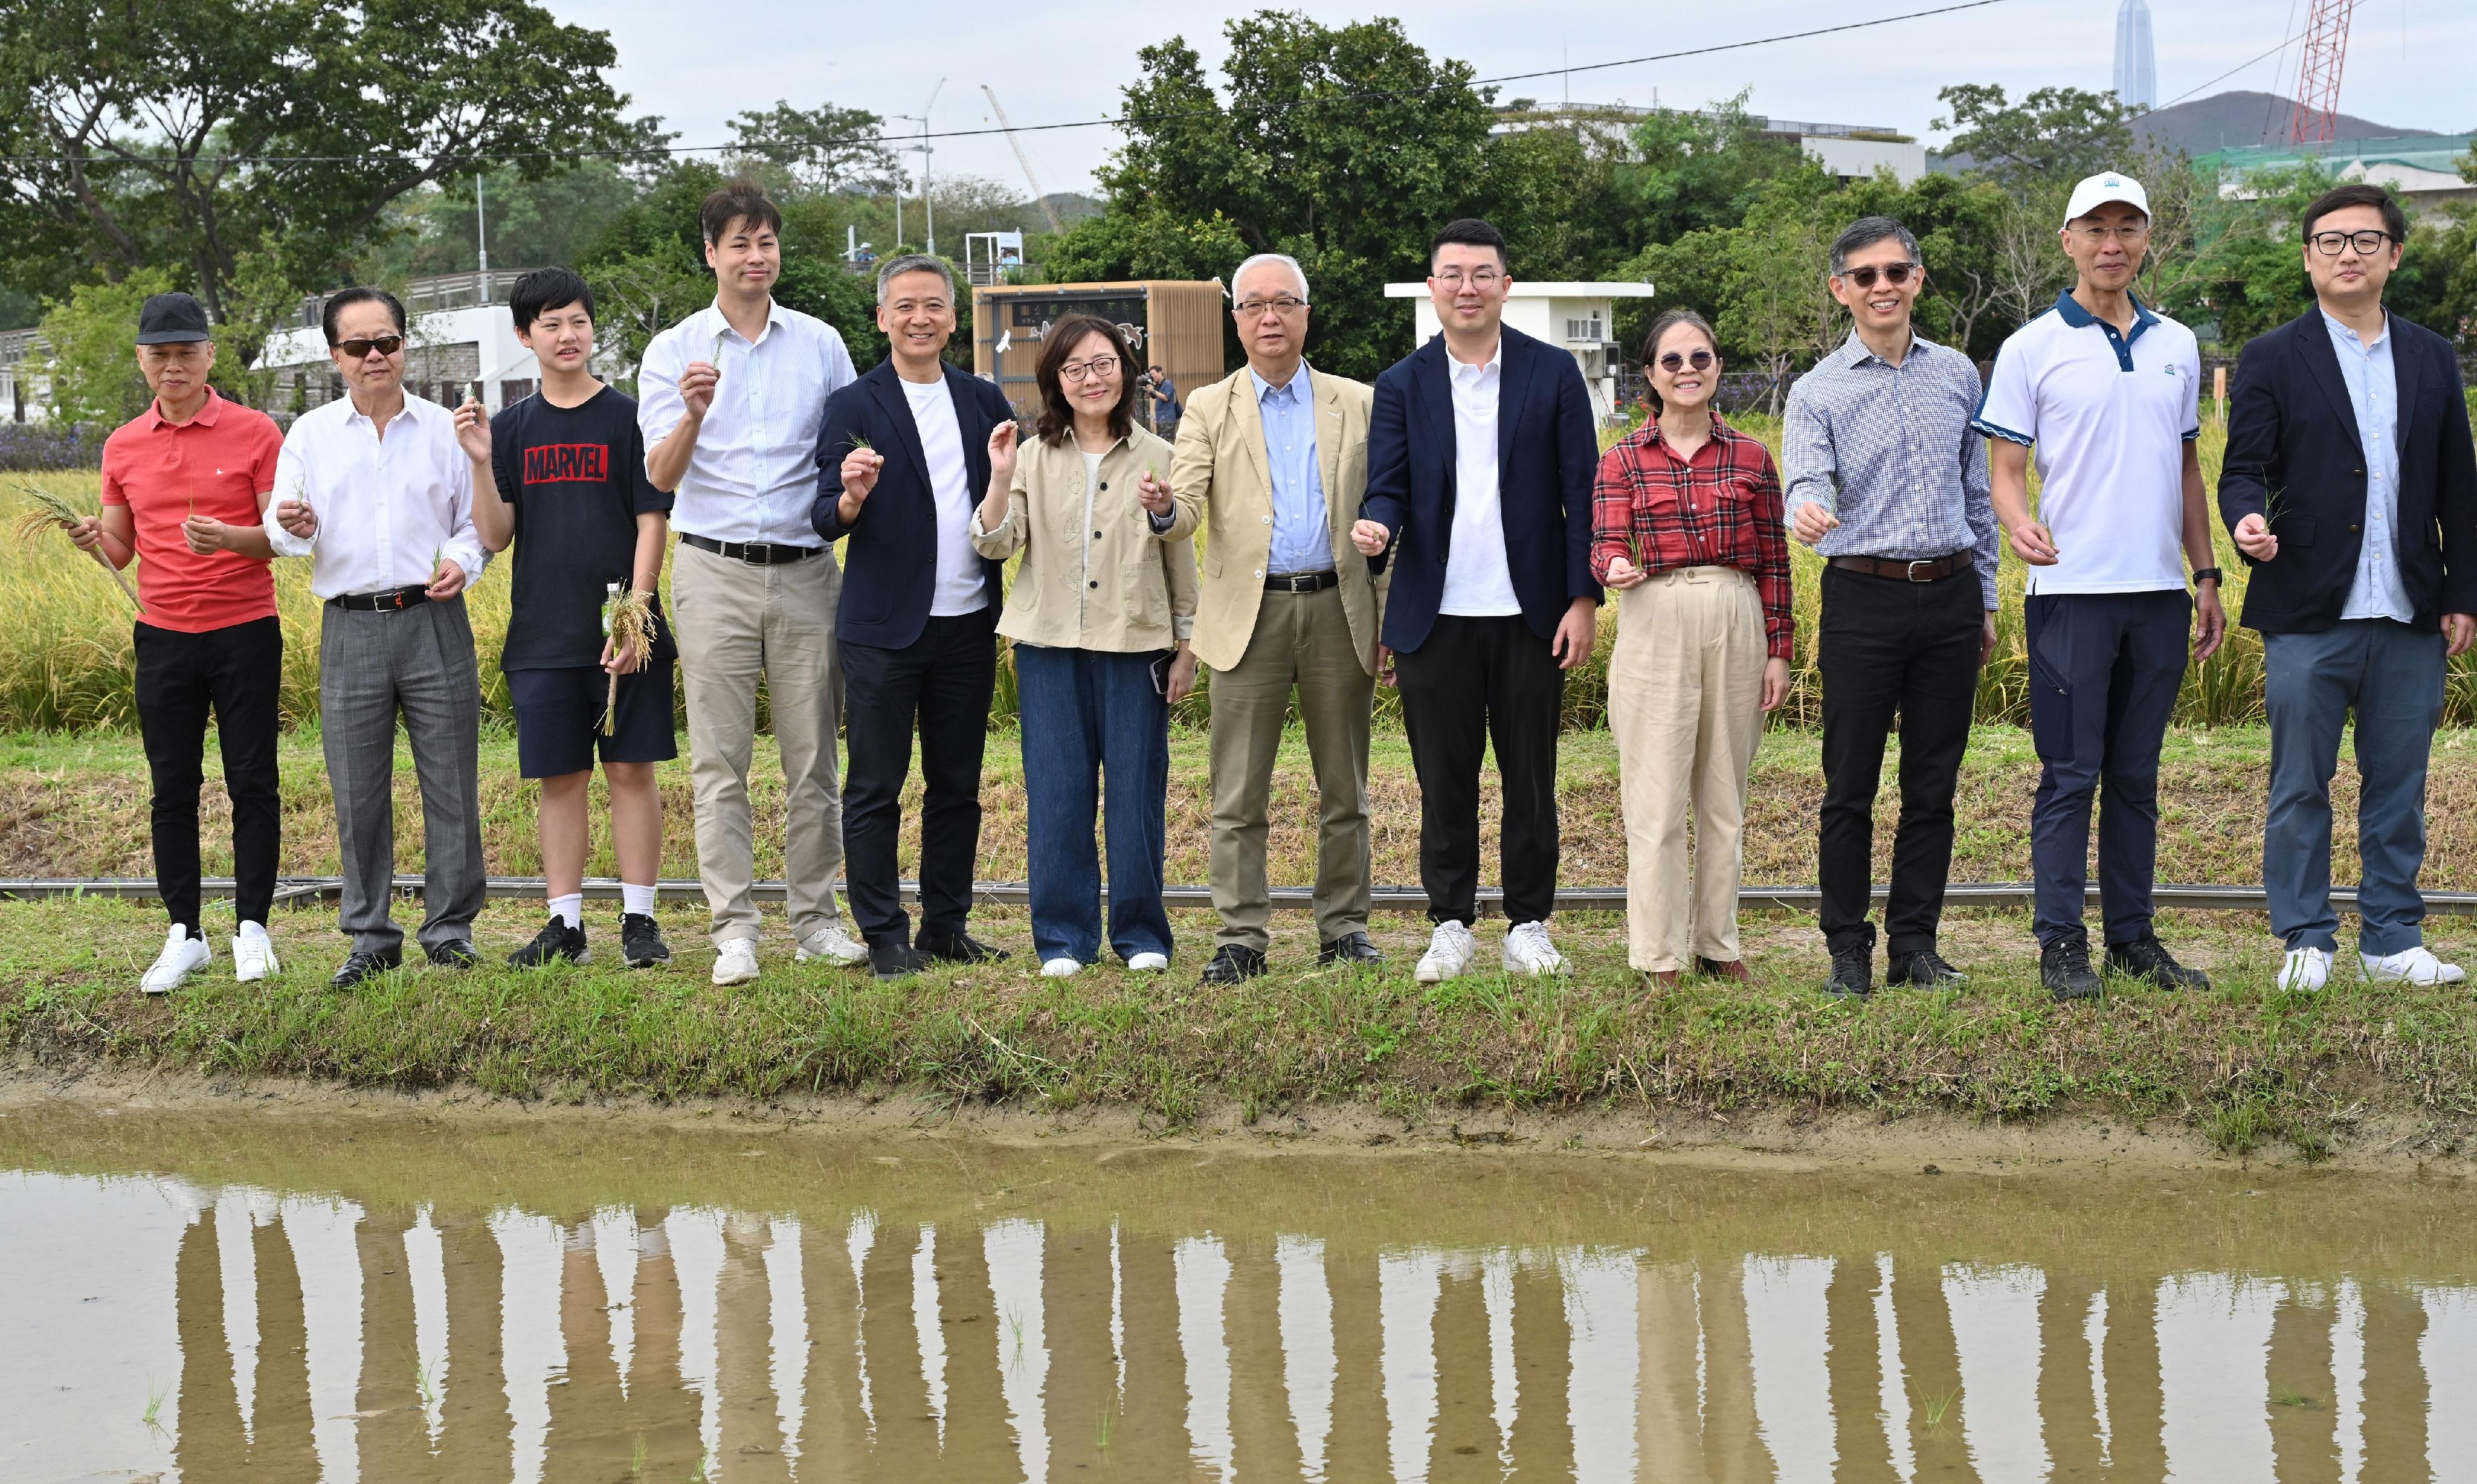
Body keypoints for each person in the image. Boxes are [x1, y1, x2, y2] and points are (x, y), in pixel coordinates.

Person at [1972, 171, 2227, 1001]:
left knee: (2137, 776)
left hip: (2157, 594)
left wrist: (2207, 574)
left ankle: (2133, 940)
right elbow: (2005, 470)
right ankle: (2059, 943)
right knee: (2069, 774)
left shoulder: (2178, 345)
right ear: (2069, 240)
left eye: (2128, 228)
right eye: (2096, 228)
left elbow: (2188, 470)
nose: (2112, 245)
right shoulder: (2031, 347)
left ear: (2147, 238)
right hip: (2069, 594)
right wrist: (2016, 521)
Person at [2219, 182, 2477, 991]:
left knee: (2398, 787)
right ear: (2308, 258)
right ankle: (2306, 937)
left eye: (2365, 241)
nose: (2347, 255)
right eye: (2330, 241)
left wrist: (2463, 593)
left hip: (2408, 607)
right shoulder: (2269, 357)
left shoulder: (2433, 356)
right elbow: (2243, 472)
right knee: (2301, 783)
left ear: (2394, 255)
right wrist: (2246, 522)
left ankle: (2393, 939)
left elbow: (2458, 491)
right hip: (2307, 607)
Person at [1354, 218, 1600, 984]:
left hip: (1532, 614)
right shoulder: (1401, 384)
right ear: (1432, 287)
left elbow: (1581, 496)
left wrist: (1582, 598)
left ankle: (1529, 923)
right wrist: (1378, 525)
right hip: (1435, 616)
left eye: (1481, 273)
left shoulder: (1552, 373)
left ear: (1505, 284)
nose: (1467, 287)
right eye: (1452, 274)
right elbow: (1389, 485)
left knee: (1531, 777)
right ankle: (1450, 922)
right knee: (1444, 779)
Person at [639, 180, 865, 987]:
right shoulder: (675, 351)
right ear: (710, 253)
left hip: (806, 567)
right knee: (720, 760)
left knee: (814, 758)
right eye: (738, 243)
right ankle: (735, 928)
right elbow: (659, 476)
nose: (755, 256)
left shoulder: (821, 344)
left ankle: (816, 920)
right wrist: (695, 413)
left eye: (766, 242)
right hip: (712, 570)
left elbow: (844, 448)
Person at [1783, 217, 2000, 999]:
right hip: (1861, 597)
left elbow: (1977, 494)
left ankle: (1916, 945)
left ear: (1917, 279)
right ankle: (1848, 948)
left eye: (1895, 272)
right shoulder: (1816, 390)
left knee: (1932, 785)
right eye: (1865, 275)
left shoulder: (1958, 377)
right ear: (1841, 289)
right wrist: (1806, 511)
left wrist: (1984, 599)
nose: (1882, 287)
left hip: (1947, 594)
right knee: (1849, 786)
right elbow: (1804, 482)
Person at [1169, 253, 1387, 985]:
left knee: (1344, 787)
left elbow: (1388, 505)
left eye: (1284, 303)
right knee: (1237, 790)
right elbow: (1185, 504)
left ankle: (1344, 928)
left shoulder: (1357, 402)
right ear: (1234, 318)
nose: (1269, 317)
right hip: (1245, 615)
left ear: (1305, 313)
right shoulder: (1207, 406)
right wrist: (1164, 509)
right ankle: (1241, 936)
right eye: (1254, 305)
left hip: (1338, 606)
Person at [268, 287, 490, 988]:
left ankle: (450, 930)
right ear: (336, 354)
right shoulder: (308, 434)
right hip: (350, 627)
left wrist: (462, 560)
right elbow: (281, 525)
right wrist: (293, 529)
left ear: (404, 346)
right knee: (357, 790)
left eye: (387, 342)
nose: (375, 357)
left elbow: (472, 522)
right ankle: (371, 936)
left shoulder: (443, 429)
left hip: (433, 618)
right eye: (359, 346)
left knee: (452, 780)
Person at [459, 267, 676, 971]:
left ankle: (639, 920)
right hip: (543, 633)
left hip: (624, 623)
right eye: (550, 324)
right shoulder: (515, 429)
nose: (567, 335)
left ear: (593, 329)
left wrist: (633, 616)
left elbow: (651, 520)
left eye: (577, 321)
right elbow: (495, 535)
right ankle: (566, 924)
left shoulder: (628, 418)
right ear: (526, 337)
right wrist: (479, 464)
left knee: (632, 770)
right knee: (561, 779)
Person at [970, 315, 1197, 976]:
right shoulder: (1032, 457)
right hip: (1048, 647)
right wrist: (999, 474)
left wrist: (1186, 646)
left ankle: (1141, 934)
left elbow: (1179, 552)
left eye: (1103, 364)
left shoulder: (1159, 455)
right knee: (1058, 793)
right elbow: (995, 542)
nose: (1091, 378)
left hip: (1136, 645)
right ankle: (1065, 938)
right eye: (1075, 369)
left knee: (1136, 793)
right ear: (1056, 381)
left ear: (1125, 372)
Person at [72, 292, 286, 993]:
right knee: (173, 787)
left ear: (209, 356)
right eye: (159, 355)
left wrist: (228, 539)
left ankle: (251, 928)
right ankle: (185, 934)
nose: (173, 366)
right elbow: (120, 551)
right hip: (163, 636)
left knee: (252, 779)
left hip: (245, 629)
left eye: (186, 353)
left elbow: (280, 539)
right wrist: (91, 542)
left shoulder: (256, 432)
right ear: (141, 360)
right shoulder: (123, 445)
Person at [814, 254, 1015, 980]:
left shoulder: (985, 401)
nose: (920, 318)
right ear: (881, 319)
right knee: (875, 786)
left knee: (956, 783)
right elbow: (821, 516)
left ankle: (946, 924)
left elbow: (1004, 502)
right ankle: (883, 933)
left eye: (933, 306)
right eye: (905, 307)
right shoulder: (854, 405)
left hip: (966, 622)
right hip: (882, 631)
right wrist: (851, 498)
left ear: (954, 319)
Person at [1592, 310, 1792, 987]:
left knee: (1722, 794)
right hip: (1655, 616)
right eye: (1672, 361)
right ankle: (1657, 953)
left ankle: (1716, 942)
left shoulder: (1751, 457)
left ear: (1716, 368)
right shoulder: (1622, 458)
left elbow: (1775, 561)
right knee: (1654, 793)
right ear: (1648, 373)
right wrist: (1611, 567)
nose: (1687, 371)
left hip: (1736, 615)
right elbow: (1603, 543)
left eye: (1700, 359)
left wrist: (1779, 650)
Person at [1146, 366, 1181, 439]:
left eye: (1153, 374)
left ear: (1160, 373)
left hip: (1167, 420)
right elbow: (1153, 396)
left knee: (1168, 442)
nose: (1152, 376)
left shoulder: (1167, 384)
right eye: (1150, 375)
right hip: (1161, 419)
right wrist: (1149, 389)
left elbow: (1166, 398)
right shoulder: (1158, 385)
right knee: (1162, 442)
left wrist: (1153, 390)